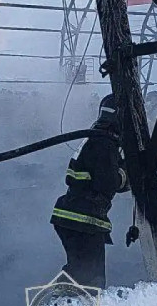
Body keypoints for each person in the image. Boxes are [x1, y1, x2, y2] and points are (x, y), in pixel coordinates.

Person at [50, 93, 129, 289]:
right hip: (83, 219)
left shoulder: (95, 139)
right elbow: (108, 182)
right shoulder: (104, 143)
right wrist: (129, 174)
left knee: (79, 273)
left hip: (72, 216)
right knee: (90, 280)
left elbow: (101, 172)